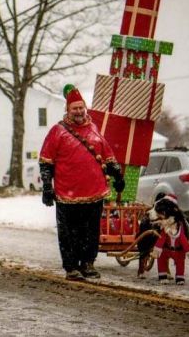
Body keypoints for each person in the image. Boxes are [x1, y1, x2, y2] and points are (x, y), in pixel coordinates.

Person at [39, 84, 125, 281]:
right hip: (66, 194)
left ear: (85, 108)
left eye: (81, 107)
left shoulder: (94, 129)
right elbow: (46, 162)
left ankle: (88, 263)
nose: (78, 111)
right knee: (69, 233)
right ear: (67, 110)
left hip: (94, 192)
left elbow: (107, 155)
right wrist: (46, 187)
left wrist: (118, 176)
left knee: (91, 231)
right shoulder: (57, 132)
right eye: (74, 108)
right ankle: (71, 267)